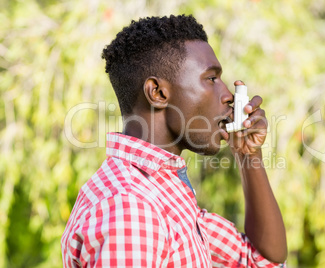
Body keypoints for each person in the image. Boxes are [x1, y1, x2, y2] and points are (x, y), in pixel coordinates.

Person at [61, 14, 287, 267]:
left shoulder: (165, 193)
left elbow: (261, 260)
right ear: (157, 93)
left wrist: (248, 154)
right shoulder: (131, 208)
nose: (228, 96)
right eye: (211, 79)